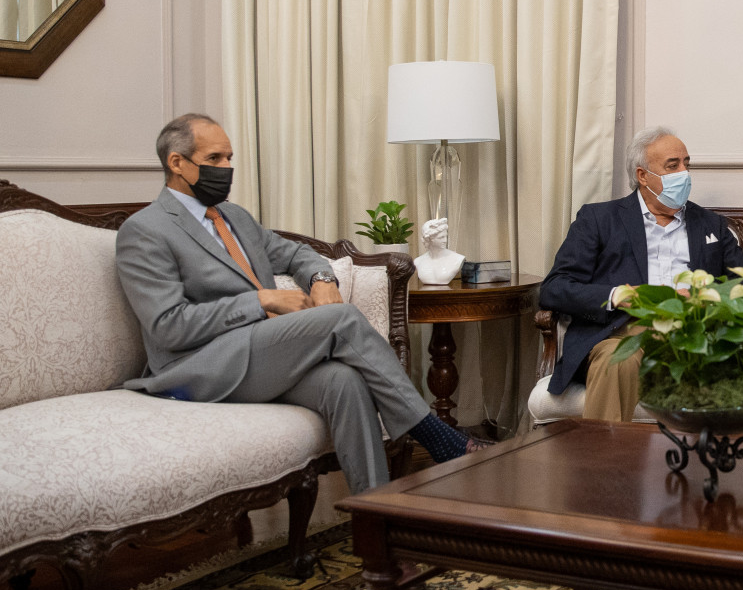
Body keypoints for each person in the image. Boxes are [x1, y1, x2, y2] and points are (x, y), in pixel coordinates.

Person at [115, 113, 480, 494]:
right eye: (214, 159)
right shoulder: (145, 230)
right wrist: (260, 299)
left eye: (229, 158)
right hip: (199, 367)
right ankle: (436, 436)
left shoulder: (234, 217)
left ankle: (376, 513)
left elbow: (295, 253)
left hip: (259, 353)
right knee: (341, 319)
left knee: (344, 381)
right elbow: (169, 326)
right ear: (177, 163)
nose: (226, 169)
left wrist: (322, 279)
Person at [539, 126, 743, 421]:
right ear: (643, 175)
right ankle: (602, 452)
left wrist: (703, 297)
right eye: (672, 166)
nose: (684, 173)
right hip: (622, 332)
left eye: (686, 164)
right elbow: (554, 288)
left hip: (692, 333)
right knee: (617, 359)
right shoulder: (599, 219)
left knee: (726, 362)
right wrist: (617, 295)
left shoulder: (710, 225)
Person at [414, 217, 464, 285]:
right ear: (429, 239)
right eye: (441, 237)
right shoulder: (418, 261)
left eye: (446, 236)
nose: (445, 240)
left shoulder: (457, 259)